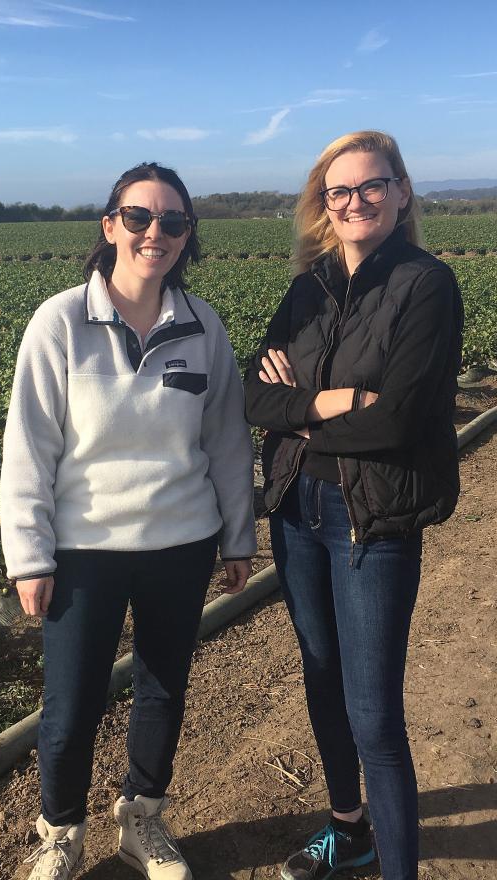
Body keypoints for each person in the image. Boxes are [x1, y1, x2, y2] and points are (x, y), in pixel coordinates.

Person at [0, 161, 256, 880]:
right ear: (110, 225)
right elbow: (30, 443)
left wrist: (239, 537)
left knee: (163, 686)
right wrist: (29, 553)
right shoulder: (60, 322)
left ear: (186, 236)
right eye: (139, 217)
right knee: (72, 701)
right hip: (84, 549)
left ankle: (142, 819)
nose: (156, 233)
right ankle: (60, 832)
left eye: (173, 221)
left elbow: (228, 443)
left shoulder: (203, 327)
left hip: (182, 541)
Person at [244, 131, 463, 880]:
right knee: (321, 674)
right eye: (340, 191)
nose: (355, 201)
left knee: (374, 716)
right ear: (322, 205)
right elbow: (252, 394)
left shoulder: (427, 284)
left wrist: (295, 413)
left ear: (402, 194)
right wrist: (329, 406)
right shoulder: (310, 286)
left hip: (370, 517)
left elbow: (400, 419)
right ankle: (350, 829)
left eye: (372, 186)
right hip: (296, 507)